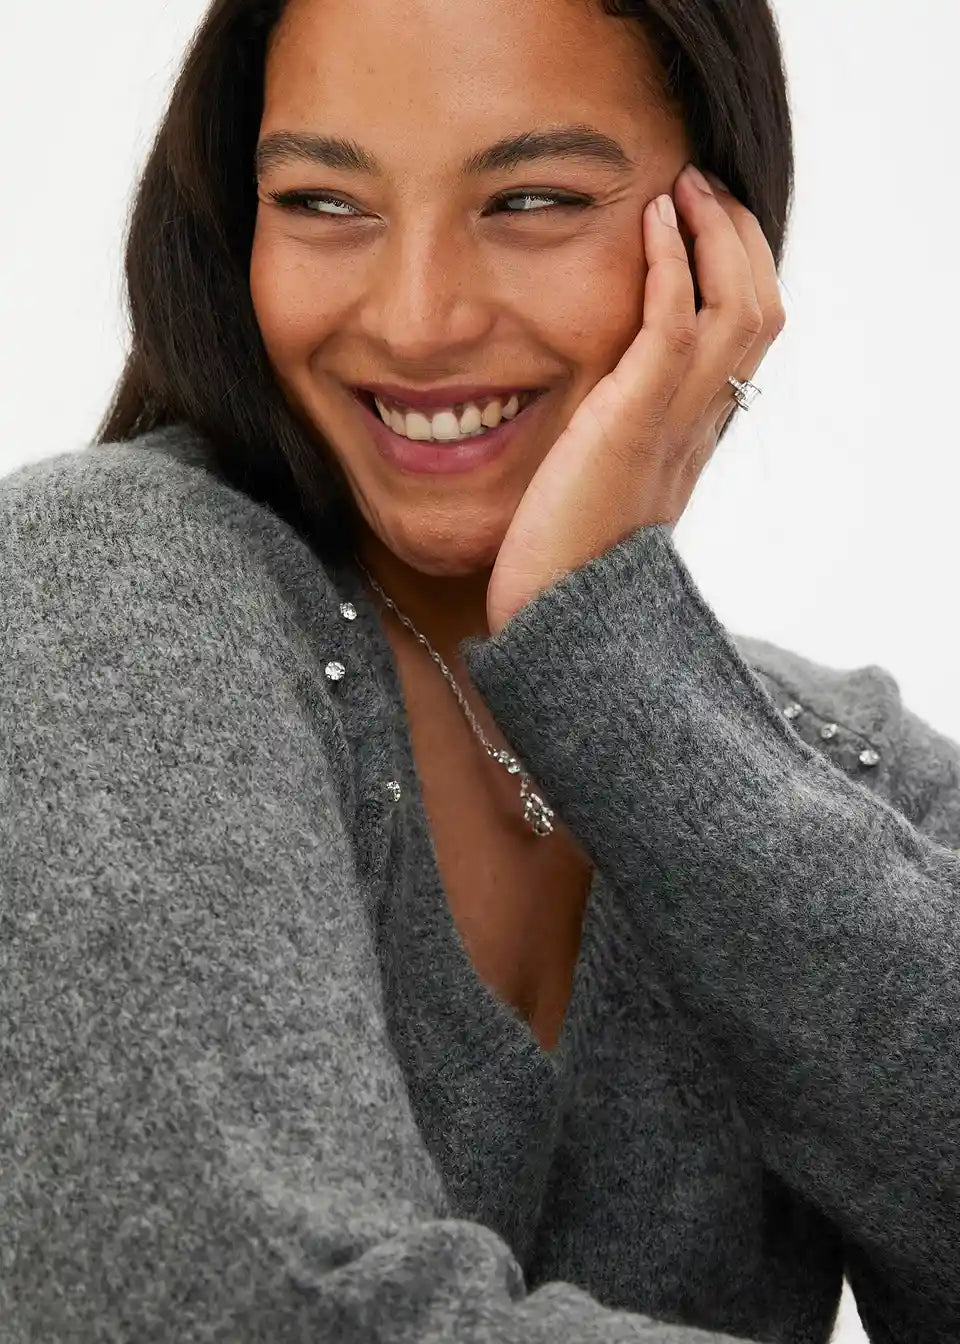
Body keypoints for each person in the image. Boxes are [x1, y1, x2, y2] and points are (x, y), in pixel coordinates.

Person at [2, 0, 957, 1340]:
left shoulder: (844, 771)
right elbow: (256, 1312)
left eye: (531, 200)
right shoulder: (101, 585)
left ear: (718, 237)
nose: (418, 320)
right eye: (324, 202)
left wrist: (610, 652)